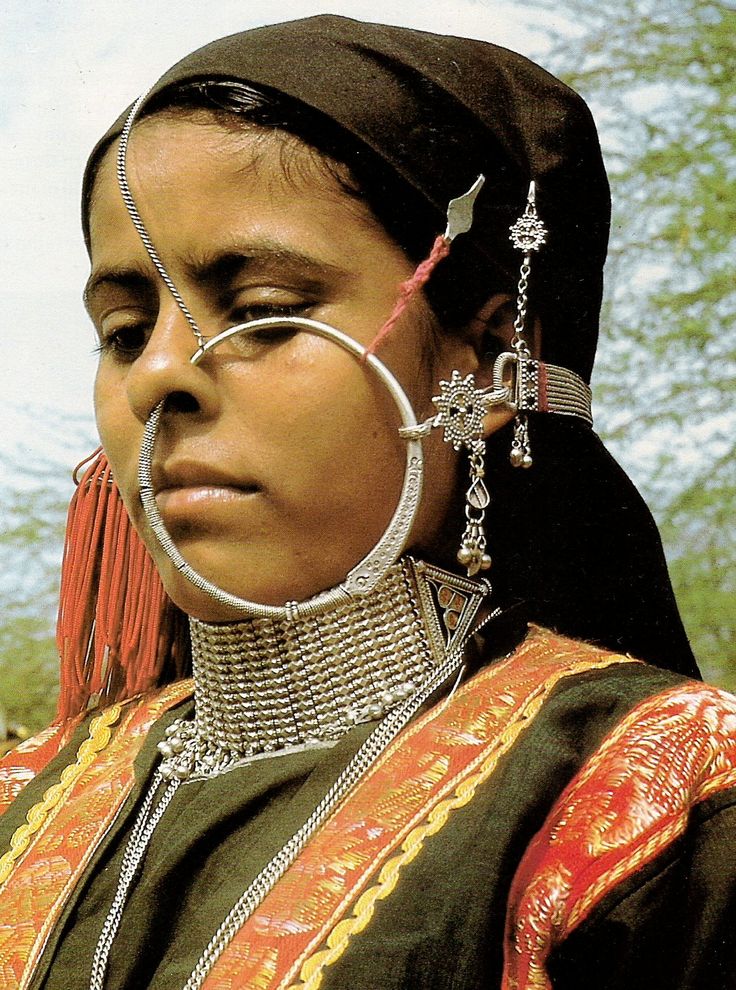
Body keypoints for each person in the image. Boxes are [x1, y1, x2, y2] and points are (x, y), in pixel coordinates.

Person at [0, 15, 734, 990]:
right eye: (126, 330)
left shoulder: (664, 808)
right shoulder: (28, 798)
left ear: (484, 360)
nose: (158, 378)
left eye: (261, 312)